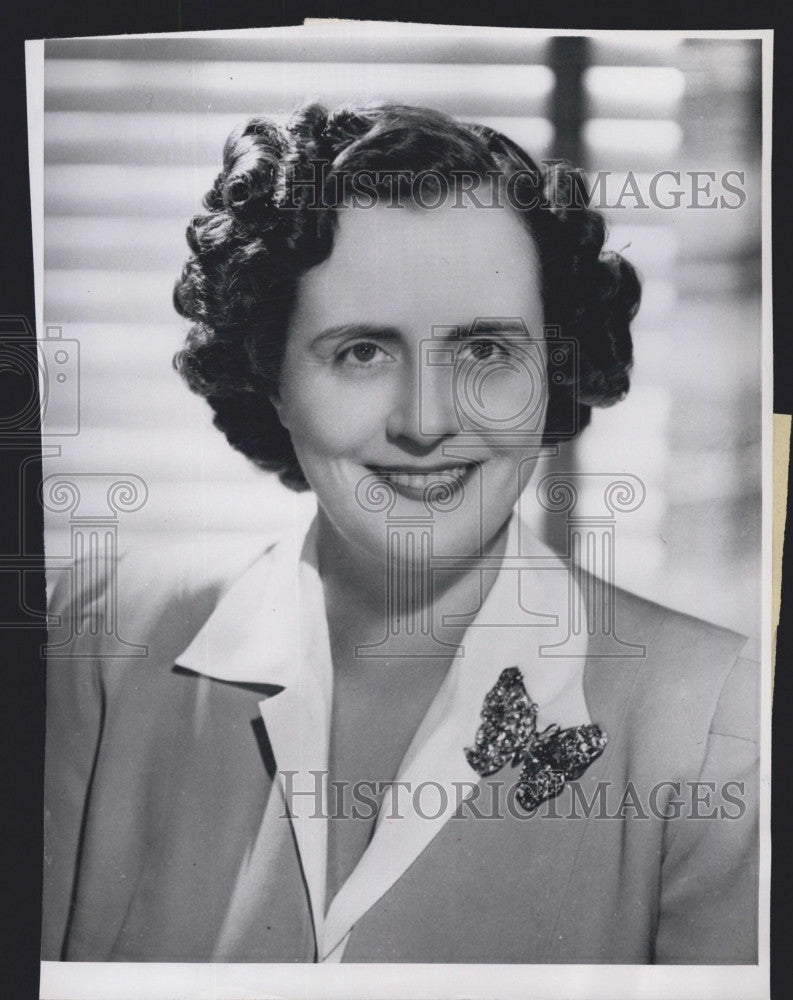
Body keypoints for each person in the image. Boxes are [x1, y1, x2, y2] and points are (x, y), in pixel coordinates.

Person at [42, 102, 758, 965]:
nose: (426, 421)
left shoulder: (717, 720)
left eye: (486, 350)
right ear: (268, 376)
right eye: (362, 352)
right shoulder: (99, 637)